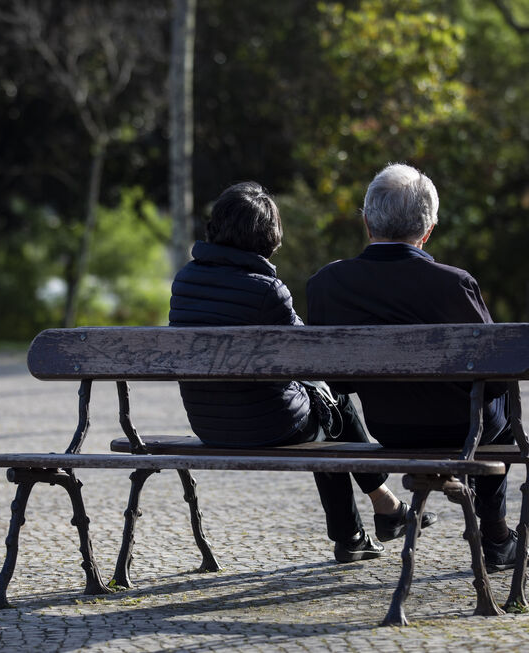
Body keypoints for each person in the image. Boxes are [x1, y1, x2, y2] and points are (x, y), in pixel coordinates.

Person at [170, 181, 435, 563]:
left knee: (320, 409)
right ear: (268, 236)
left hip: (208, 422)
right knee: (331, 405)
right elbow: (313, 357)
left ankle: (366, 525)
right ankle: (377, 513)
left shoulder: (184, 281)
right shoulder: (266, 290)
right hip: (265, 425)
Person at [306, 163, 529, 571]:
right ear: (427, 229)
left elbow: (338, 381)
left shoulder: (327, 284)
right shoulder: (454, 284)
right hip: (462, 432)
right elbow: (499, 378)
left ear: (367, 223)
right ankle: (497, 537)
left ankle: (492, 532)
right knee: (494, 410)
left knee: (487, 409)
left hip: (389, 427)